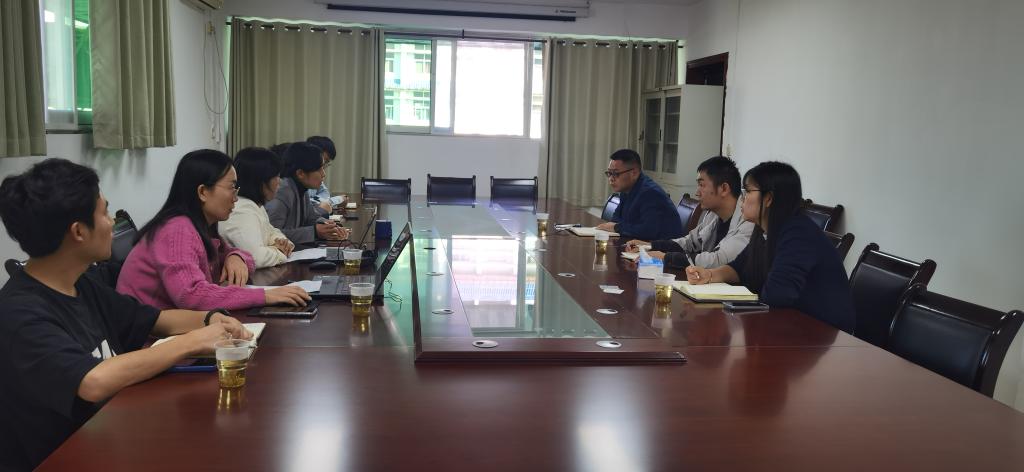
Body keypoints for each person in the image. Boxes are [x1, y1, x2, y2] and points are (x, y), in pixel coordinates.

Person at [0, 159, 252, 471]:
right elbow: (91, 381)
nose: (112, 223)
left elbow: (157, 319)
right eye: (105, 213)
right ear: (78, 232)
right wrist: (191, 343)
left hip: (112, 434)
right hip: (65, 457)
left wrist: (212, 319)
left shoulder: (81, 284)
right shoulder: (19, 313)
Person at [117, 149, 311, 310]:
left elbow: (243, 255)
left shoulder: (201, 225)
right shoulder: (177, 230)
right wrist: (265, 296)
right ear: (203, 192)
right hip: (151, 337)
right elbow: (192, 295)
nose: (236, 197)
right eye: (232, 188)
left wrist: (235, 256)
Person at [684, 161, 856, 333]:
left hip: (822, 333)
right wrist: (710, 275)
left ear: (768, 199)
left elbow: (776, 296)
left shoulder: (798, 233)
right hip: (786, 325)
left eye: (748, 191)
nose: (742, 199)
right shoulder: (764, 229)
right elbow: (739, 267)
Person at [625, 156, 753, 269]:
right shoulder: (713, 214)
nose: (697, 192)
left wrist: (665, 257)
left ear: (724, 189)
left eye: (702, 185)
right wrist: (650, 245)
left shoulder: (748, 222)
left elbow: (718, 260)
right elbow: (689, 242)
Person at [219, 147, 295, 268]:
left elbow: (272, 232)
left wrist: (282, 243)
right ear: (261, 181)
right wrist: (279, 252)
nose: (279, 181)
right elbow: (256, 258)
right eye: (276, 176)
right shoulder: (242, 211)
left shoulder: (255, 205)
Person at [265, 142, 350, 246]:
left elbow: (311, 217)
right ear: (300, 173)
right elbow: (272, 235)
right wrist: (315, 231)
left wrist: (329, 226)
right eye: (319, 169)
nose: (323, 174)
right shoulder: (281, 192)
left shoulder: (301, 187)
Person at [595, 149, 683, 241]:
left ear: (634, 173)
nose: (611, 179)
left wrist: (618, 227)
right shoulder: (626, 189)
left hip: (661, 248)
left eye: (616, 174)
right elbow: (615, 219)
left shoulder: (650, 193)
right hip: (638, 244)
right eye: (609, 173)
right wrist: (620, 226)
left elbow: (648, 231)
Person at [306, 135, 345, 215]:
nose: (323, 172)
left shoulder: (316, 175)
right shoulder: (302, 173)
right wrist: (336, 200)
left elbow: (325, 193)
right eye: (324, 162)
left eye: (326, 163)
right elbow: (307, 205)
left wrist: (319, 201)